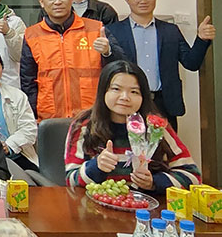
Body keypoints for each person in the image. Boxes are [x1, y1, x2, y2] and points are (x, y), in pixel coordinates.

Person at [64, 61, 200, 194]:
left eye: (134, 92)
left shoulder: (156, 127)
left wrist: (154, 182)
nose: (125, 97)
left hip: (146, 205)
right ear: (103, 91)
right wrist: (96, 166)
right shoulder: (84, 125)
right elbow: (71, 180)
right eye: (116, 89)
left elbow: (193, 176)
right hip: (96, 205)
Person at [105, 0, 215, 131]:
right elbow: (107, 68)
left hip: (164, 103)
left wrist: (201, 39)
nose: (143, 1)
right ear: (127, 0)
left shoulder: (170, 31)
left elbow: (191, 63)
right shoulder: (114, 31)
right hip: (128, 101)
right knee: (129, 145)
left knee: (166, 145)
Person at [21, 0, 119, 120]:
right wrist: (33, 115)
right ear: (42, 2)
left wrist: (108, 52)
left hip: (92, 114)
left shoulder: (95, 28)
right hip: (49, 116)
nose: (57, 2)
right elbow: (27, 81)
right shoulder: (32, 34)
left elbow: (120, 67)